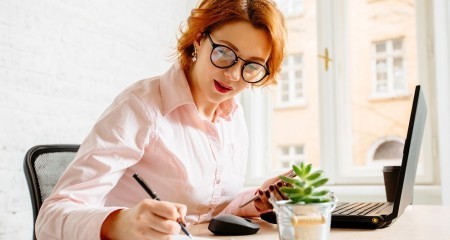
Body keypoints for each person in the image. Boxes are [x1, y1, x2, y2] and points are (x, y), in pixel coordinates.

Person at [35, 0, 287, 239]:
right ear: (199, 40)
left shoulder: (234, 118)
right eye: (224, 52)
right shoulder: (141, 106)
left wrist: (254, 200)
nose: (233, 75)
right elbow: (50, 219)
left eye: (252, 67)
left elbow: (207, 212)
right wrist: (121, 223)